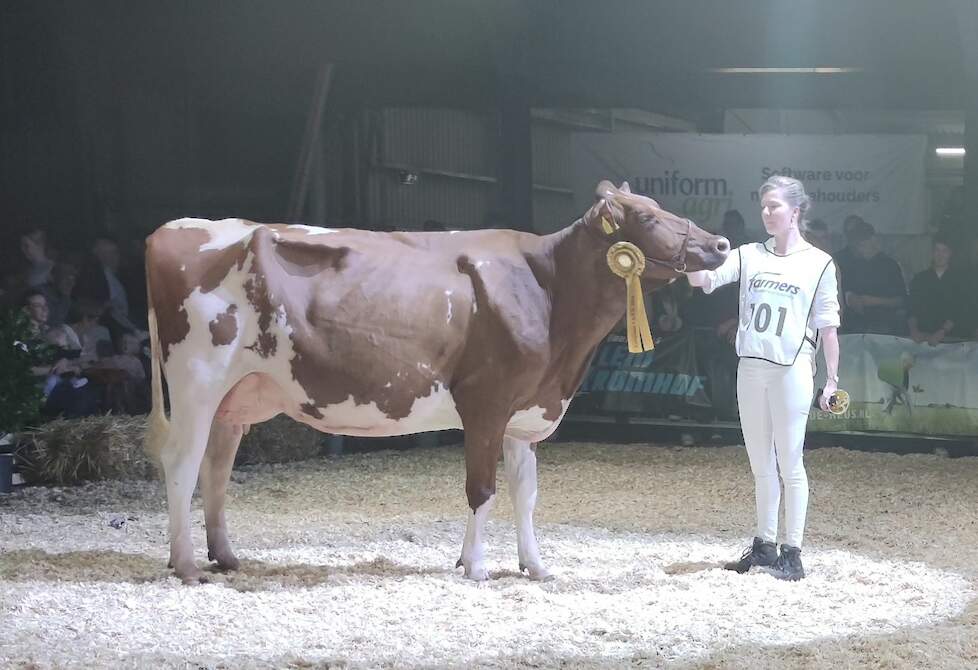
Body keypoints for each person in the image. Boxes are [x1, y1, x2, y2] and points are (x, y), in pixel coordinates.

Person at [687, 175, 841, 581]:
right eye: (763, 207)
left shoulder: (819, 262)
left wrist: (832, 380)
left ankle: (793, 553)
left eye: (774, 206)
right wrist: (689, 256)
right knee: (760, 464)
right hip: (751, 367)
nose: (767, 213)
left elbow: (828, 326)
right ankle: (764, 545)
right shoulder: (749, 254)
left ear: (796, 211)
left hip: (792, 368)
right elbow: (705, 282)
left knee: (790, 462)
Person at [840, 221, 907, 335]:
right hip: (856, 327)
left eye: (863, 244)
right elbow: (844, 290)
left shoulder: (890, 265)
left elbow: (900, 300)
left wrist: (873, 301)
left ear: (873, 241)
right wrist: (850, 297)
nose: (860, 249)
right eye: (857, 245)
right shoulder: (852, 265)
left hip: (884, 326)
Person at [907, 234, 969, 344]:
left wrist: (942, 332)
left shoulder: (961, 280)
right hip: (922, 338)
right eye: (937, 250)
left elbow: (960, 311)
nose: (940, 255)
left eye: (944, 251)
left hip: (951, 339)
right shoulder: (920, 278)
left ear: (950, 254)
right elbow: (912, 308)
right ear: (932, 253)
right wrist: (914, 330)